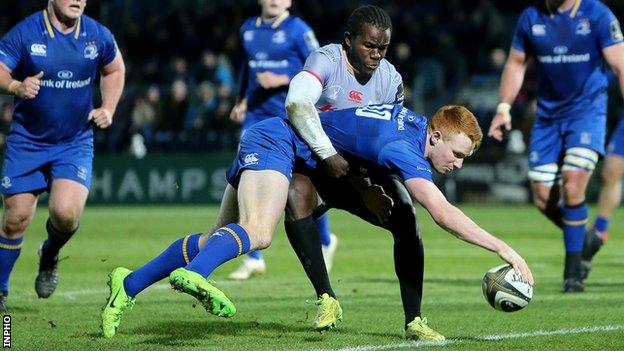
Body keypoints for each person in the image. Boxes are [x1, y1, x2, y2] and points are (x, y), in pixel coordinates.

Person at [101, 103, 534, 339]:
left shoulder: (414, 123)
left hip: (281, 141)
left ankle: (129, 282)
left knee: (220, 236)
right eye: (455, 153)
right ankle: (195, 275)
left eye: (464, 158)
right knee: (258, 233)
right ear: (435, 137)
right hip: (277, 141)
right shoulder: (406, 148)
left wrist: (363, 187)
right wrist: (504, 247)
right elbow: (442, 214)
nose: (456, 163)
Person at [282, 5, 440, 339]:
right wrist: (328, 154)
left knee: (407, 219)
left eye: (383, 48)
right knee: (295, 196)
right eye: (369, 46)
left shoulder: (391, 80)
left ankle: (415, 320)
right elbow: (298, 103)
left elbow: (386, 140)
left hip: (361, 169)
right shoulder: (325, 60)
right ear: (348, 40)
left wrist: (369, 185)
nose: (376, 55)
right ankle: (327, 298)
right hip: (318, 164)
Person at [488, 0, 624, 292]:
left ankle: (573, 274)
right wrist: (503, 108)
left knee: (573, 184)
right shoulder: (531, 16)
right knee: (541, 196)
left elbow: (620, 65)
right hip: (548, 117)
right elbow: (515, 63)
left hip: (588, 112)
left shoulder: (596, 14)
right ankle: (585, 239)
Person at [0, 0, 124, 312]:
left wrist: (108, 107)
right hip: (28, 141)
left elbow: (114, 68)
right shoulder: (27, 32)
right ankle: (1, 290)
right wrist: (16, 85)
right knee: (15, 219)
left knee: (66, 214)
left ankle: (50, 253)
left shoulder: (98, 35)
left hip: (74, 140)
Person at [227, 0, 336, 280]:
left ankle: (325, 239)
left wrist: (281, 77)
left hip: (291, 117)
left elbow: (322, 67)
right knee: (244, 178)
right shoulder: (247, 29)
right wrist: (241, 99)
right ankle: (253, 257)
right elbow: (247, 68)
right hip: (256, 119)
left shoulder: (298, 30)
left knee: (304, 183)